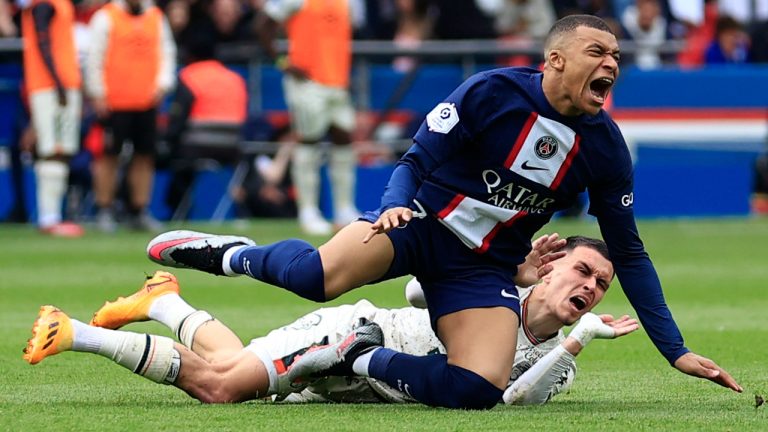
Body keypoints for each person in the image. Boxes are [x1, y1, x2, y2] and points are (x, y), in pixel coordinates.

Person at [147, 14, 742, 410]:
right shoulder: (491, 91)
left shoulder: (607, 147)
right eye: (597, 52)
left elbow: (629, 252)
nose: (611, 64)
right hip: (420, 225)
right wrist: (394, 207)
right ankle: (232, 253)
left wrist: (675, 349)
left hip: (483, 269)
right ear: (555, 60)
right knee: (313, 279)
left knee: (479, 389)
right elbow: (415, 158)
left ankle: (357, 352)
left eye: (616, 55)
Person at [23, 235, 639, 405]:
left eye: (601, 285)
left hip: (354, 382)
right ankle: (75, 331)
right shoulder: (494, 285)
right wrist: (509, 277)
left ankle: (163, 302)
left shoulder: (560, 368)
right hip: (348, 338)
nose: (590, 287)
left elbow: (512, 397)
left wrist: (577, 343)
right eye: (583, 271)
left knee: (231, 367)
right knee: (222, 386)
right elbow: (418, 290)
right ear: (553, 264)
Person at [257, 0, 361, 235]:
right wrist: (283, 62)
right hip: (307, 83)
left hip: (338, 82)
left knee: (344, 140)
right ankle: (308, 211)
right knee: (308, 141)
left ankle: (344, 209)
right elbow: (262, 25)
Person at [85, 0, 176, 232]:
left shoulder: (155, 16)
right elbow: (94, 56)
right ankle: (104, 209)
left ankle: (138, 210)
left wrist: (162, 85)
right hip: (115, 101)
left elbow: (167, 53)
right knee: (109, 156)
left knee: (145, 156)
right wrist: (97, 92)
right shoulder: (106, 17)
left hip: (147, 100)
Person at [162, 34, 248, 219]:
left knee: (169, 159)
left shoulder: (189, 75)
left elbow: (178, 118)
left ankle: (175, 212)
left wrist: (166, 141)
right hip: (232, 149)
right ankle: (242, 211)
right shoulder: (235, 78)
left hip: (196, 148)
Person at [21, 0, 84, 237]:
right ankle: (49, 218)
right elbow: (42, 40)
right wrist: (57, 81)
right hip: (51, 85)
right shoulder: (44, 4)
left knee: (61, 150)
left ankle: (52, 216)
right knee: (52, 148)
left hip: (61, 83)